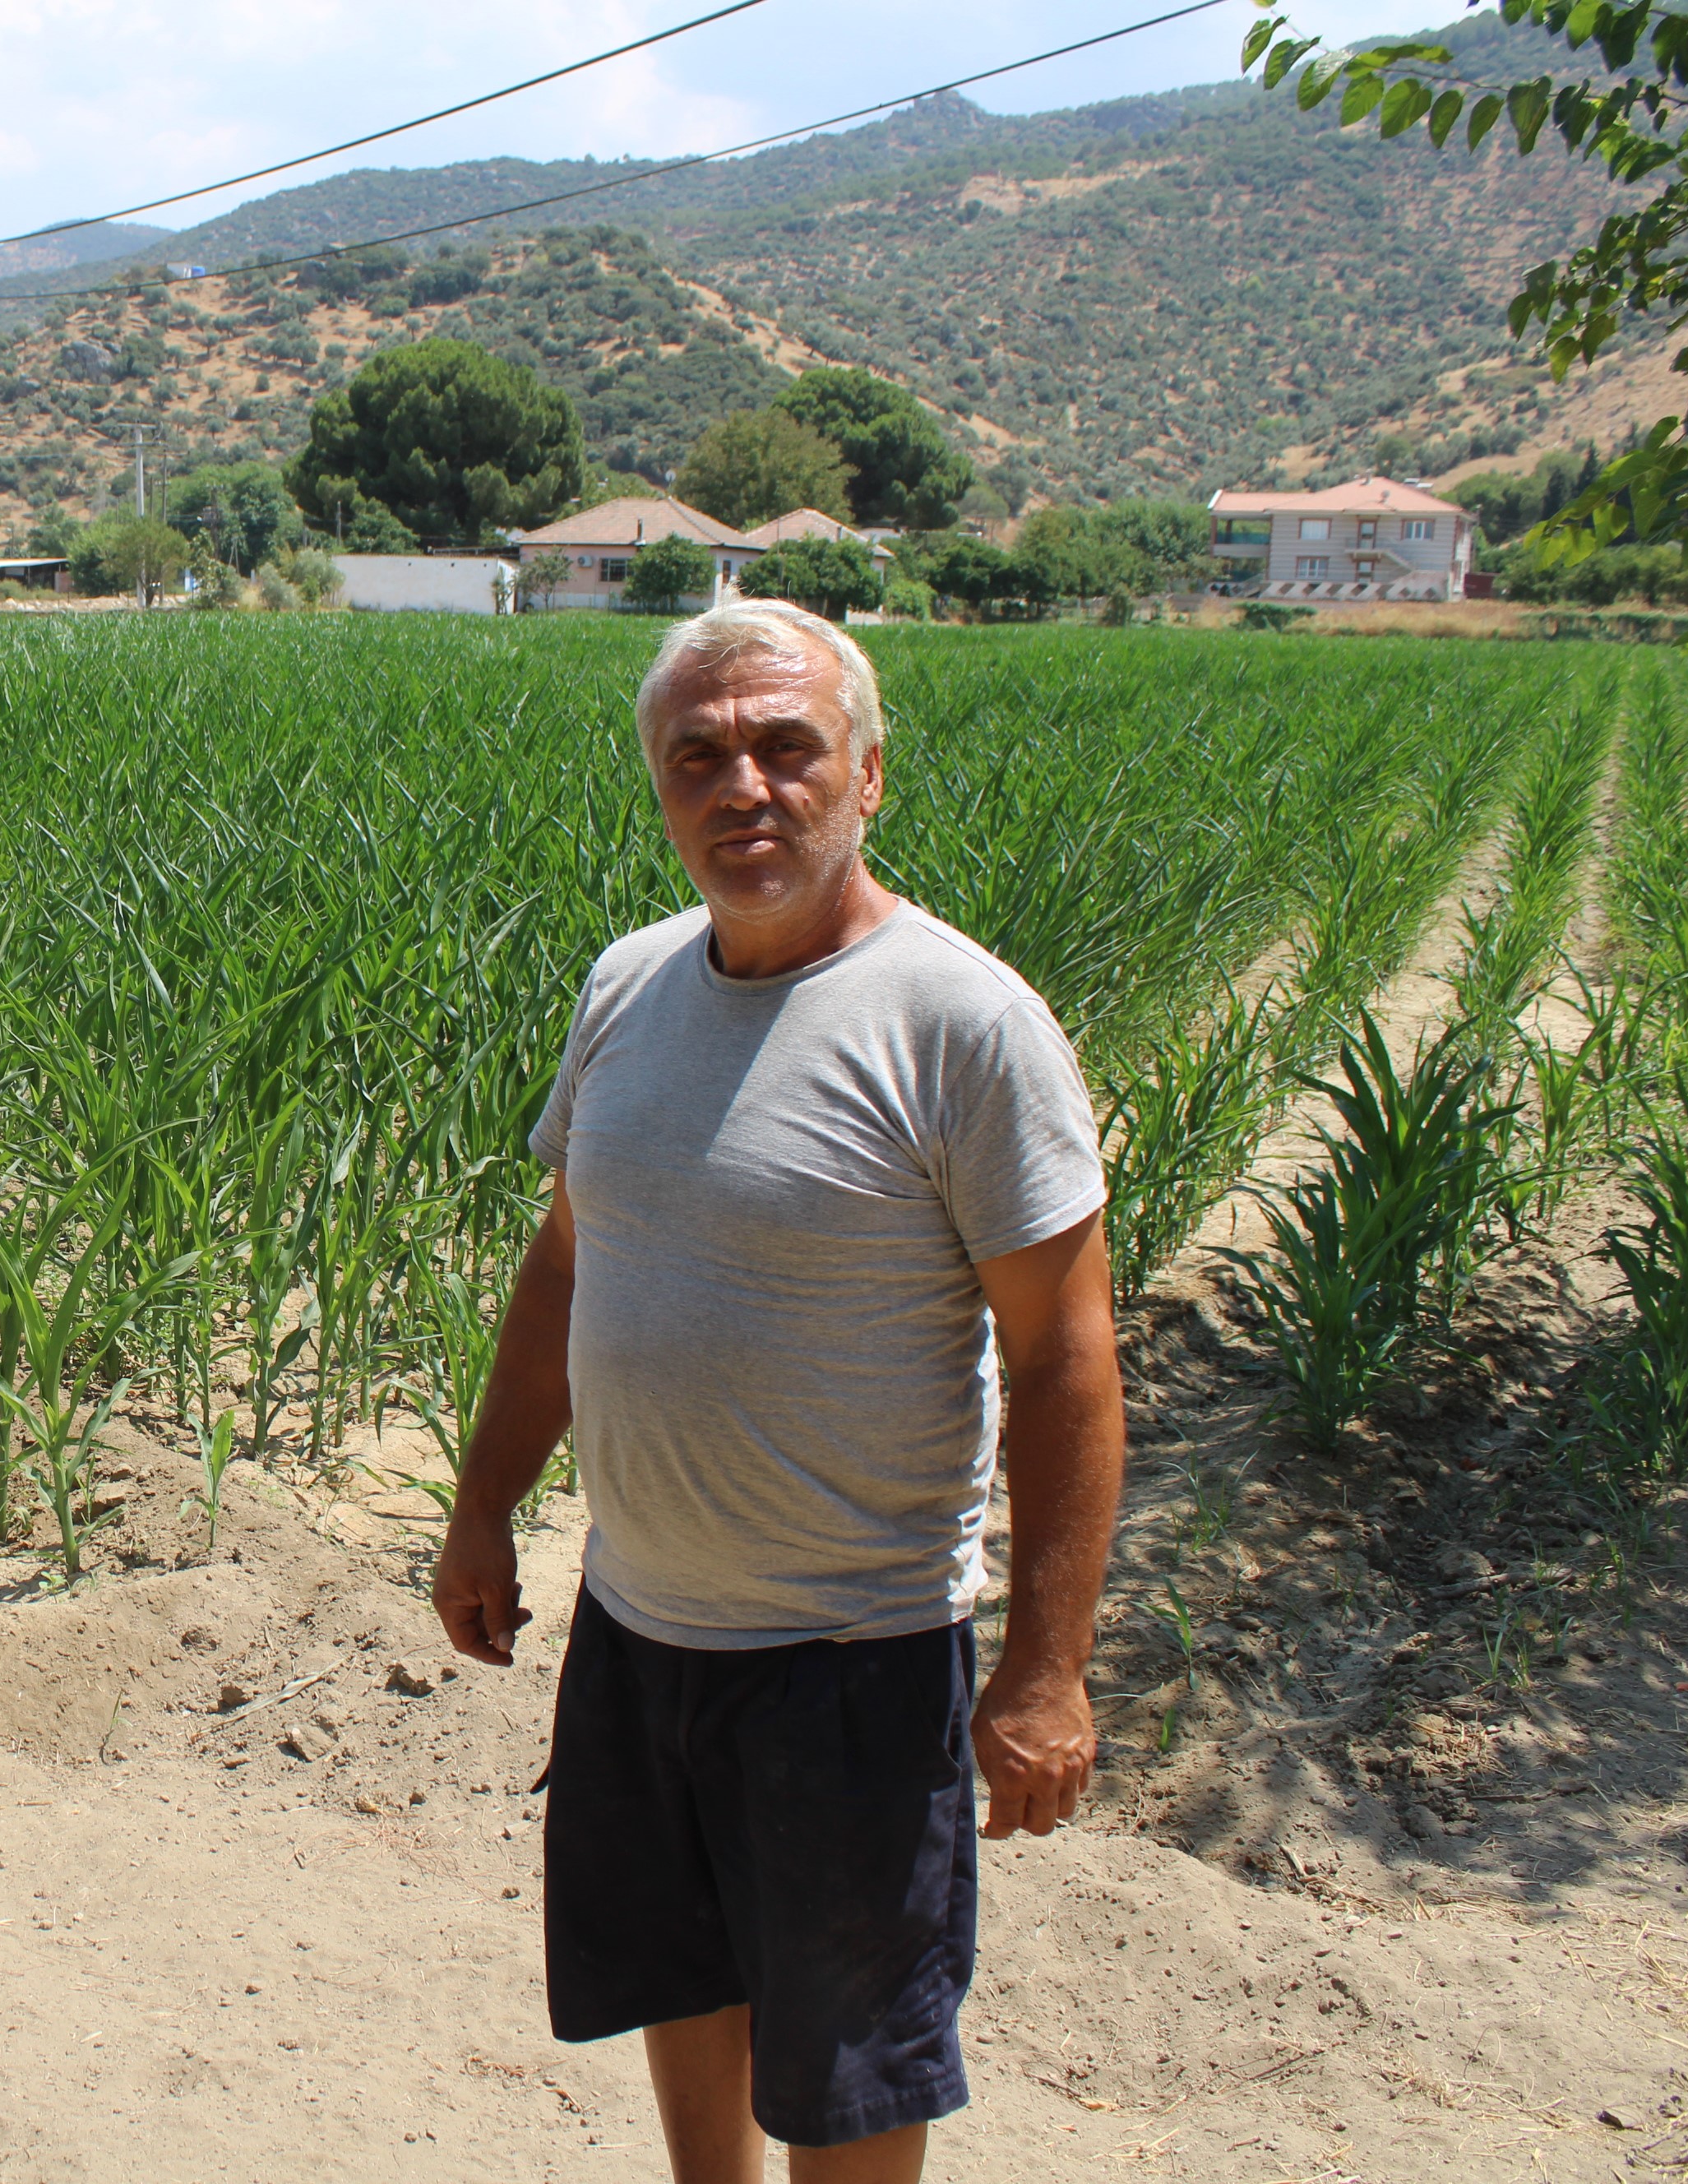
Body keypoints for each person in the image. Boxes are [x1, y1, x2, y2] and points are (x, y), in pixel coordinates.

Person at [431, 599, 1125, 2184]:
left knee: (854, 2067)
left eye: (787, 748)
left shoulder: (963, 1025)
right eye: (701, 758)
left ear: (868, 776)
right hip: (643, 1626)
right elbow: (563, 1270)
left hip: (854, 1659)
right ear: (662, 792)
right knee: (687, 1980)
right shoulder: (629, 984)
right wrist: (482, 1507)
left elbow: (1067, 1358)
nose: (745, 788)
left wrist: (1045, 1672)